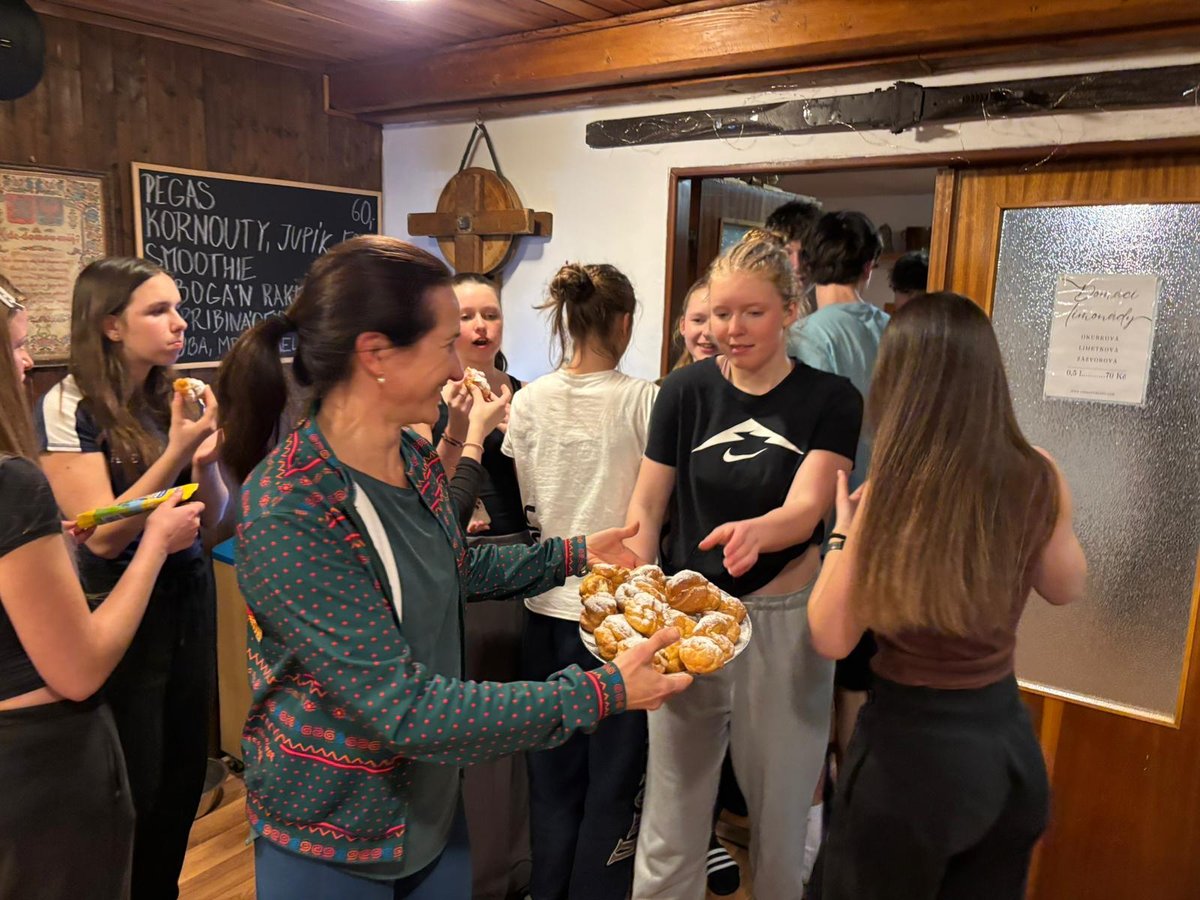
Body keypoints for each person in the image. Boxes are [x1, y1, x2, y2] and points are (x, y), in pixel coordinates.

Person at [214, 235, 691, 900]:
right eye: (444, 344)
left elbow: (450, 567)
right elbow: (405, 709)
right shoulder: (293, 506)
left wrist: (573, 555)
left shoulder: (410, 461)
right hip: (335, 835)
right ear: (376, 355)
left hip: (430, 811)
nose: (456, 365)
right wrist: (601, 692)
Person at [806, 292, 1087, 900]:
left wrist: (843, 533)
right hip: (1002, 750)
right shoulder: (1039, 473)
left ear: (897, 383)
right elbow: (1066, 587)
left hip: (907, 762)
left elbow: (830, 635)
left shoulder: (889, 494)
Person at [626, 231, 862, 900]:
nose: (731, 329)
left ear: (789, 310)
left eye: (751, 312)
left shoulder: (831, 399)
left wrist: (759, 532)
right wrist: (636, 595)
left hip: (785, 623)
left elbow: (809, 507)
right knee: (671, 816)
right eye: (720, 313)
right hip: (687, 616)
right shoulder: (684, 391)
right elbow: (647, 504)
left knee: (781, 820)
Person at [35, 257, 227, 900]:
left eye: (178, 308)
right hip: (118, 604)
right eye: (158, 310)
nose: (179, 323)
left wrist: (208, 462)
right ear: (111, 324)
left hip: (188, 592)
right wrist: (177, 452)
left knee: (183, 774)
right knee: (136, 782)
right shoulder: (69, 404)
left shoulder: (173, 396)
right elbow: (101, 533)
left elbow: (214, 518)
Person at [501, 262, 658, 900]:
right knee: (613, 783)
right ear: (624, 322)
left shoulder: (527, 400)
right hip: (616, 620)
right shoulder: (645, 400)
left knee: (551, 777)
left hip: (543, 609)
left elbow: (523, 499)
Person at [789, 210, 888, 779]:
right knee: (858, 672)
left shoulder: (803, 338)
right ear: (870, 266)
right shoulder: (895, 330)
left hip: (823, 523)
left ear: (803, 264)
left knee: (815, 671)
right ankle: (848, 799)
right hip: (882, 517)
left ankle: (809, 803)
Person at [668, 277, 717, 374]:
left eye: (719, 320)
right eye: (698, 320)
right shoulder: (667, 383)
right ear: (683, 326)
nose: (707, 332)